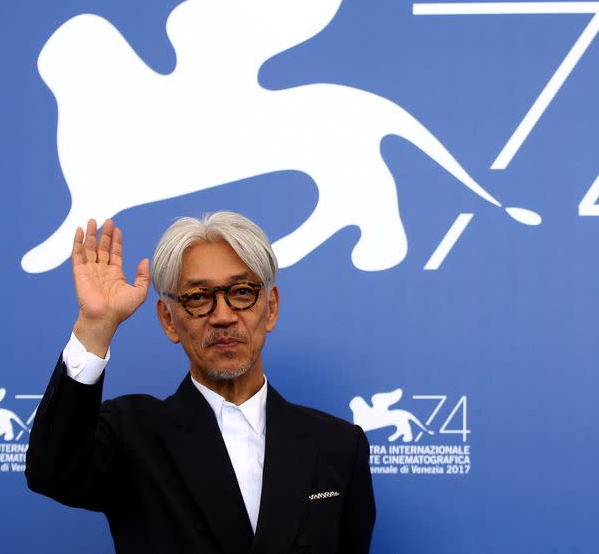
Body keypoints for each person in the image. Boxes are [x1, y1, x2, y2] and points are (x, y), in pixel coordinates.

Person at [26, 212, 375, 554]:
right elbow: (52, 472)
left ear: (270, 309)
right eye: (198, 297)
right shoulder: (131, 434)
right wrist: (95, 325)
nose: (223, 316)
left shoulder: (339, 446)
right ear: (169, 320)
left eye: (241, 292)